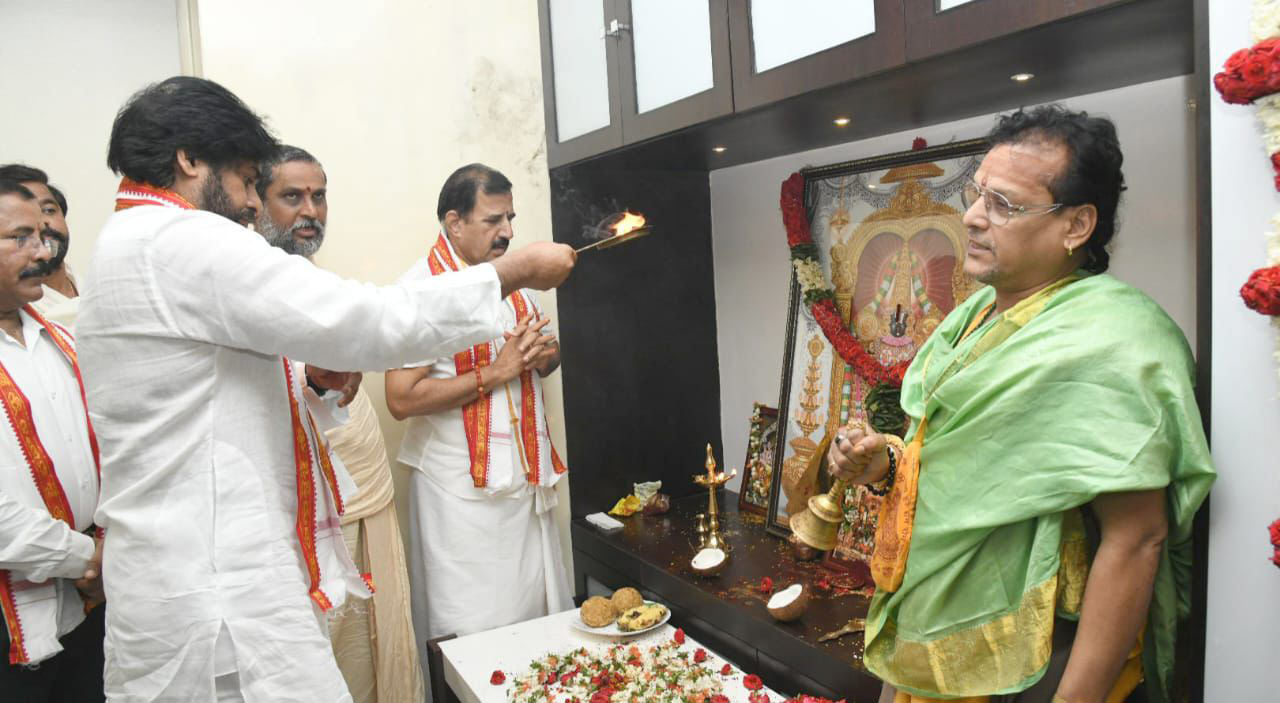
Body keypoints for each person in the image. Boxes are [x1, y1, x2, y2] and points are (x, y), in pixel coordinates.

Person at [76, 76, 575, 703]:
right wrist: (514, 271)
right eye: (244, 179)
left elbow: (202, 393)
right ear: (189, 159)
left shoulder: (127, 241)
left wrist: (309, 378)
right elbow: (366, 321)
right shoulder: (181, 240)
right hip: (218, 593)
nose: (250, 205)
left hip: (184, 577)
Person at [826, 105, 1215, 703]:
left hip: (1032, 653)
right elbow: (967, 469)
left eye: (1003, 205)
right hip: (931, 626)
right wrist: (885, 464)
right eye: (978, 194)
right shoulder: (974, 315)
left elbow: (1137, 538)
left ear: (1077, 225)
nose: (973, 218)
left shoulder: (1113, 341)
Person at [255, 144, 425, 703]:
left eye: (319, 196)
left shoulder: (312, 280)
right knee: (327, 642)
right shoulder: (247, 290)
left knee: (377, 631)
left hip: (362, 477)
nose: (311, 210)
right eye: (292, 196)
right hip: (301, 498)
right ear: (256, 202)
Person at [386, 164, 571, 667]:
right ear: (454, 222)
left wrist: (540, 356)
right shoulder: (422, 290)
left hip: (523, 490)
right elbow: (401, 398)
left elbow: (547, 359)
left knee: (535, 627)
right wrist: (498, 371)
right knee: (471, 636)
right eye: (493, 220)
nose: (508, 232)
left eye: (510, 217)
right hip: (459, 501)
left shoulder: (515, 281)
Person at [0, 180, 104, 701]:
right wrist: (87, 559)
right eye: (20, 237)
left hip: (87, 602)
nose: (43, 252)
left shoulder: (57, 336)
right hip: (10, 622)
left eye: (43, 235)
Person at [0, 165, 78, 328]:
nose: (42, 224)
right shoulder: (16, 315)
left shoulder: (94, 287)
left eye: (48, 210)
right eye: (22, 234)